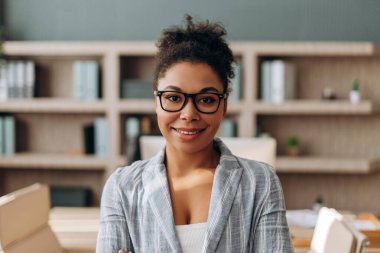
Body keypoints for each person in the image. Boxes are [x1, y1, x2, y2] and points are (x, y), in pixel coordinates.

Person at [96, 15, 293, 253]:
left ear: (224, 106)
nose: (189, 114)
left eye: (206, 99)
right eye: (173, 98)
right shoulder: (122, 187)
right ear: (156, 103)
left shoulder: (260, 182)